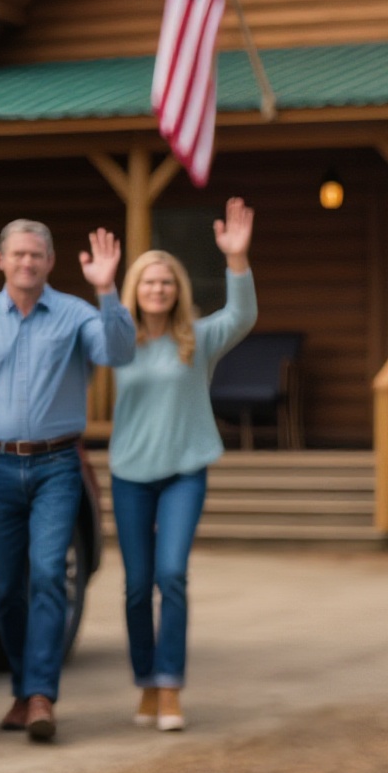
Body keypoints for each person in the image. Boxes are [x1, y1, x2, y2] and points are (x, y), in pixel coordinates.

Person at [0, 218, 132, 741]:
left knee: (47, 575)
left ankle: (41, 694)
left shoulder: (76, 314)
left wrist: (108, 290)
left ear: (50, 262)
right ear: (1, 260)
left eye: (36, 255)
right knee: (6, 589)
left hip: (57, 466)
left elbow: (118, 353)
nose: (27, 262)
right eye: (18, 254)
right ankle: (23, 690)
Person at [105, 198, 257, 732]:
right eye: (149, 282)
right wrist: (104, 288)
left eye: (166, 282)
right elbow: (101, 328)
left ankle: (170, 685)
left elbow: (242, 316)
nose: (158, 289)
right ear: (136, 289)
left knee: (170, 575)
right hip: (129, 473)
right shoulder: (118, 341)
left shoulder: (198, 338)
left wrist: (236, 258)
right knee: (135, 585)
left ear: (177, 290)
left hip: (184, 472)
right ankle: (146, 681)